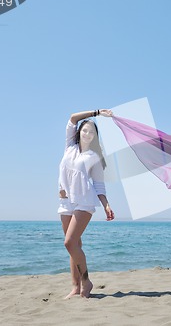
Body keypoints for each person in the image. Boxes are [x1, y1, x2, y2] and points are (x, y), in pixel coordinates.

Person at [57, 109, 115, 299]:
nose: (88, 134)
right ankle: (75, 286)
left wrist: (106, 205)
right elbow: (73, 117)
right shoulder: (69, 146)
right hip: (66, 202)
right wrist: (97, 113)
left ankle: (86, 280)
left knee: (69, 242)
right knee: (75, 245)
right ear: (79, 132)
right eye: (85, 130)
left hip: (84, 201)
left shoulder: (95, 157)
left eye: (92, 132)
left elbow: (99, 185)